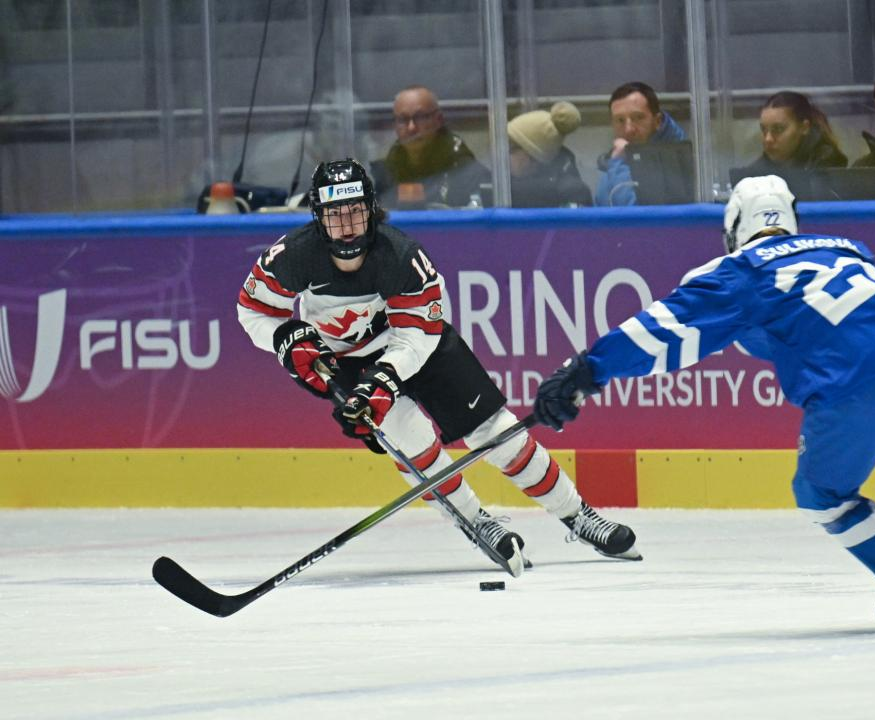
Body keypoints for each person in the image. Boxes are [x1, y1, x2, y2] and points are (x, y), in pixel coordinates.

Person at [532, 174, 875, 627]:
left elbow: (662, 329)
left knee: (821, 494)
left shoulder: (741, 271)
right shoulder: (844, 249)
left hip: (860, 375)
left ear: (733, 230)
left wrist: (587, 370)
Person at [237, 158, 639, 575]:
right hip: (347, 363)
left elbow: (418, 333)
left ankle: (578, 514)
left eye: (355, 211)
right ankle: (476, 521)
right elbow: (252, 310)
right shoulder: (293, 256)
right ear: (318, 217)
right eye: (335, 214)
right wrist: (285, 338)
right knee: (412, 440)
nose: (348, 225)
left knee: (497, 432)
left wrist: (386, 376)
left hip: (418, 348)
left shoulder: (401, 256)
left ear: (370, 209)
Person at [369, 86, 490, 209]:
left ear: (439, 120)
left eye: (420, 117)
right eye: (403, 119)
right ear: (395, 125)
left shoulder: (466, 171)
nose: (411, 127)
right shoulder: (384, 175)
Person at [595, 82, 689, 206]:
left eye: (638, 118)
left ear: (658, 121)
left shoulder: (671, 160)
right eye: (620, 120)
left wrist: (618, 163)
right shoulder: (614, 163)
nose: (628, 129)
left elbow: (634, 214)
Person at [507, 101, 593, 208]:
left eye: (512, 149)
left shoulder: (572, 193)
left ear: (532, 157)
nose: (506, 156)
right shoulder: (508, 186)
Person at [744, 91, 847, 175]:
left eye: (778, 129)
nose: (768, 139)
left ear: (804, 127)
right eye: (763, 129)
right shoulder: (756, 172)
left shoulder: (826, 163)